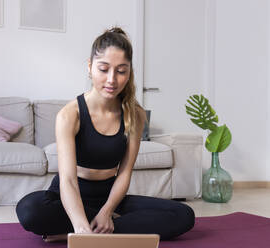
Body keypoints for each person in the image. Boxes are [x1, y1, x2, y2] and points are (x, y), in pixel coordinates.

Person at [16, 27, 195, 242]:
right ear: (90, 67)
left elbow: (125, 173)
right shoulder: (69, 114)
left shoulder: (135, 114)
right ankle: (92, 230)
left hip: (111, 198)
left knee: (183, 215)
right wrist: (81, 228)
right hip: (71, 195)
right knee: (30, 210)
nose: (112, 79)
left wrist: (107, 211)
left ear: (129, 73)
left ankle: (74, 233)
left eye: (121, 71)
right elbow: (68, 180)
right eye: (104, 69)